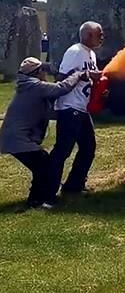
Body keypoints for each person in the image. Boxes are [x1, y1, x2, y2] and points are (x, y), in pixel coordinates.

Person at [0, 58, 85, 208]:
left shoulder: (28, 86)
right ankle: (36, 201)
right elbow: (61, 88)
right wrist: (77, 74)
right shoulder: (34, 86)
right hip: (18, 139)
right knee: (43, 165)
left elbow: (48, 112)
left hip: (13, 137)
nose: (45, 73)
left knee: (42, 165)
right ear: (38, 72)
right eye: (43, 70)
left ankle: (36, 199)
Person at [49, 21, 104, 197]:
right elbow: (61, 77)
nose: (102, 37)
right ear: (88, 35)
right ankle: (46, 188)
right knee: (63, 150)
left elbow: (87, 79)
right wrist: (86, 75)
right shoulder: (75, 52)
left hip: (82, 108)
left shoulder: (91, 54)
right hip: (70, 107)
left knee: (88, 147)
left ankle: (74, 185)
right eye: (99, 34)